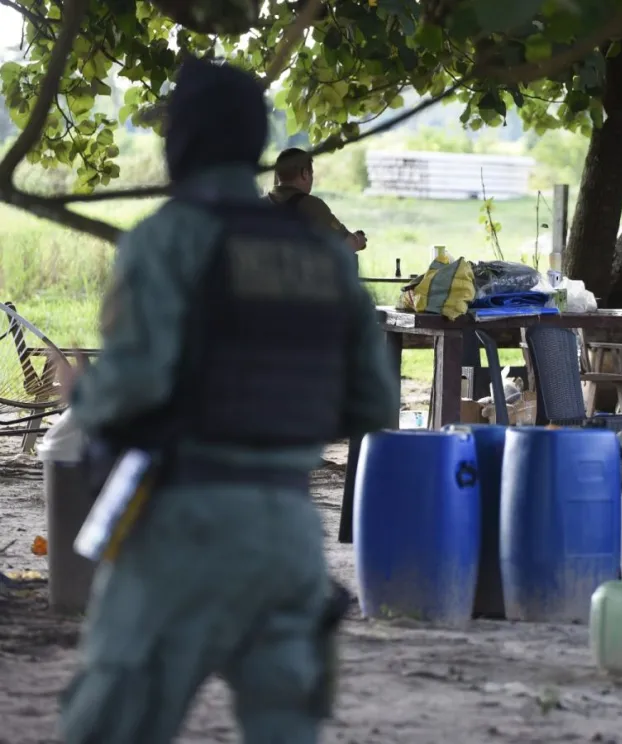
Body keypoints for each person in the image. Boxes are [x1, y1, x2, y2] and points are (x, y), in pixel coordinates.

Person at [58, 57, 399, 744]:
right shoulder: (325, 256)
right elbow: (373, 408)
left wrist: (83, 392)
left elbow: (135, 384)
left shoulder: (169, 237)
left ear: (182, 140)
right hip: (290, 536)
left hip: (182, 527)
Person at [268, 147, 368, 252]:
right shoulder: (312, 205)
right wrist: (358, 240)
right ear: (305, 174)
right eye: (312, 174)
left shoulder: (258, 204)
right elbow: (348, 244)